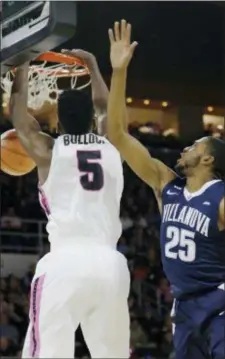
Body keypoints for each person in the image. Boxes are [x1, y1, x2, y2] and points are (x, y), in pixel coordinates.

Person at [107, 20, 225, 359]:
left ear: (208, 159)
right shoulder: (166, 185)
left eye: (195, 145)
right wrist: (118, 72)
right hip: (185, 309)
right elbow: (117, 135)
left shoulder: (220, 199)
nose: (185, 148)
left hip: (219, 304)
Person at [10, 50, 130, 358]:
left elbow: (19, 119)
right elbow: (106, 107)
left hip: (65, 262)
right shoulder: (111, 140)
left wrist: (22, 68)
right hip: (111, 264)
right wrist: (92, 64)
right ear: (92, 118)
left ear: (58, 121)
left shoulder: (49, 150)